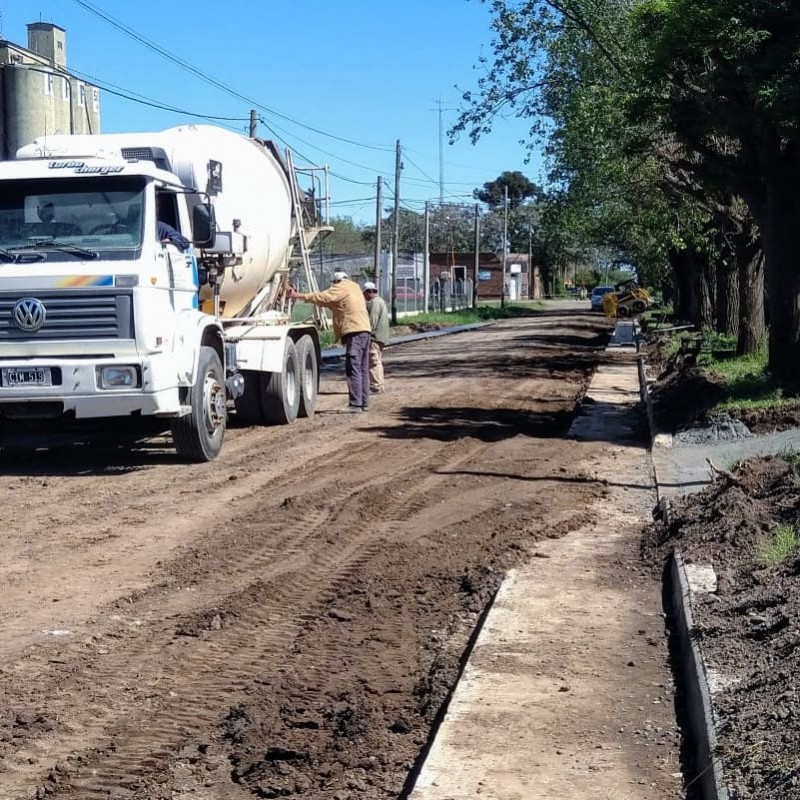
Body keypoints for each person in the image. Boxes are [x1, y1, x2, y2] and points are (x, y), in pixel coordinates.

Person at [287, 271, 372, 413]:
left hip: (354, 331)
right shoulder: (354, 288)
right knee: (363, 368)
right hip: (364, 330)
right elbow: (332, 303)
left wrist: (297, 296)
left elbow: (323, 296)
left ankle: (355, 404)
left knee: (354, 368)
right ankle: (363, 402)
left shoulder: (341, 287)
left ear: (336, 281)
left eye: (333, 284)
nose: (333, 286)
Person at [362, 281, 389, 394]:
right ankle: (379, 385)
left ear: (370, 292)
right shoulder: (380, 301)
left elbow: (372, 321)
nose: (363, 296)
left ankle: (376, 386)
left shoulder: (374, 303)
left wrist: (366, 333)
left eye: (364, 293)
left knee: (373, 362)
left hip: (374, 337)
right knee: (377, 361)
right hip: (381, 337)